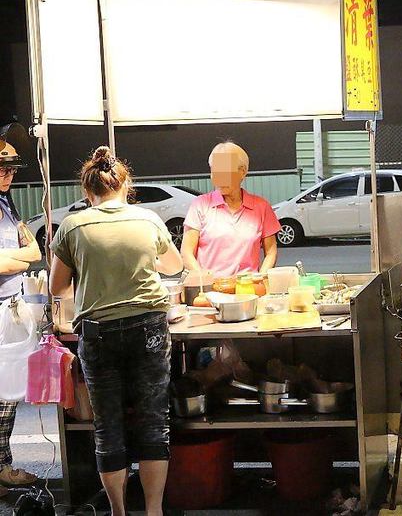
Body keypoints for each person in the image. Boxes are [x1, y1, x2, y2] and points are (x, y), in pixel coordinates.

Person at [49, 147, 183, 516]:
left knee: (108, 426)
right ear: (126, 185)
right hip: (149, 330)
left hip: (98, 332)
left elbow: (57, 286)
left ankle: (119, 512)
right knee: (154, 421)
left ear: (87, 191)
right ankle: (153, 511)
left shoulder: (72, 226)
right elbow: (174, 267)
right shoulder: (147, 219)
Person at [0, 125, 41, 497]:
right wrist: (20, 258)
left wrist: (18, 257)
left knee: (9, 395)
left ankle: (2, 466)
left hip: (9, 306)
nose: (9, 175)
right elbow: (10, 262)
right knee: (2, 396)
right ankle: (1, 470)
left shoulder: (6, 204)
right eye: (2, 168)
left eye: (12, 169)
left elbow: (34, 253)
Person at [181, 141, 280, 278]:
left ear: (243, 172)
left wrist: (260, 278)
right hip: (210, 289)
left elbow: (271, 252)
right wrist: (204, 281)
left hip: (248, 288)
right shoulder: (200, 205)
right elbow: (186, 252)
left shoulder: (261, 206)